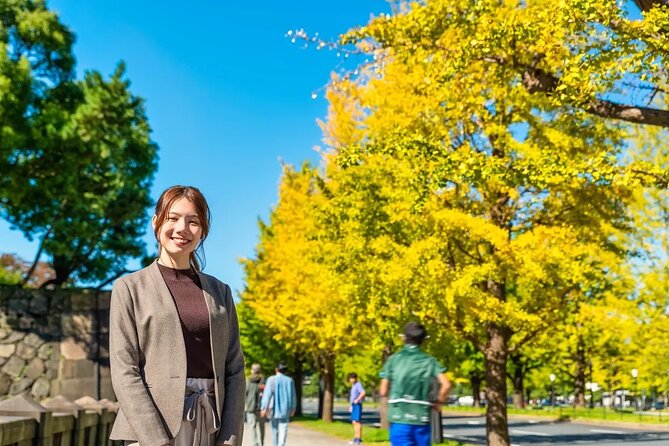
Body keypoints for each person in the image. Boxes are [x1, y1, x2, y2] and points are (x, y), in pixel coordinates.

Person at [109, 185, 245, 446]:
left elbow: (235, 369)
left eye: (193, 221)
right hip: (149, 429)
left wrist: (230, 437)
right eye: (172, 218)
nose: (182, 228)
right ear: (156, 223)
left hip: (210, 426)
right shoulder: (129, 289)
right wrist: (155, 440)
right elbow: (125, 370)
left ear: (203, 230)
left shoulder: (220, 292)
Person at [379, 322, 451, 446]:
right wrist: (439, 402)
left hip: (399, 416)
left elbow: (383, 391)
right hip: (421, 417)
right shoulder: (430, 361)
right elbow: (446, 384)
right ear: (423, 340)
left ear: (403, 338)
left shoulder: (393, 359)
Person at [260, 362, 296, 446]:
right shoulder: (290, 380)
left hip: (273, 408)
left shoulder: (271, 379)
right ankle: (281, 444)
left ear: (277, 370)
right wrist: (293, 407)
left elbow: (267, 395)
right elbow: (293, 395)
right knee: (284, 427)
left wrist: (264, 408)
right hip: (285, 408)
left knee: (274, 428)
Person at [245, 363, 266, 446]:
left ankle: (254, 443)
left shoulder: (247, 381)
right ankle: (261, 443)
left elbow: (244, 393)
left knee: (252, 426)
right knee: (261, 426)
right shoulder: (263, 381)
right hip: (261, 407)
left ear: (252, 370)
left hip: (250, 407)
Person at [348, 372, 366, 444]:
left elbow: (363, 392)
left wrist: (357, 399)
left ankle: (358, 438)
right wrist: (350, 406)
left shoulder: (358, 385)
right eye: (350, 378)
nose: (352, 380)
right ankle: (355, 437)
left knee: (357, 421)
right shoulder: (353, 385)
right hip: (353, 405)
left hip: (357, 405)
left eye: (353, 378)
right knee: (354, 422)